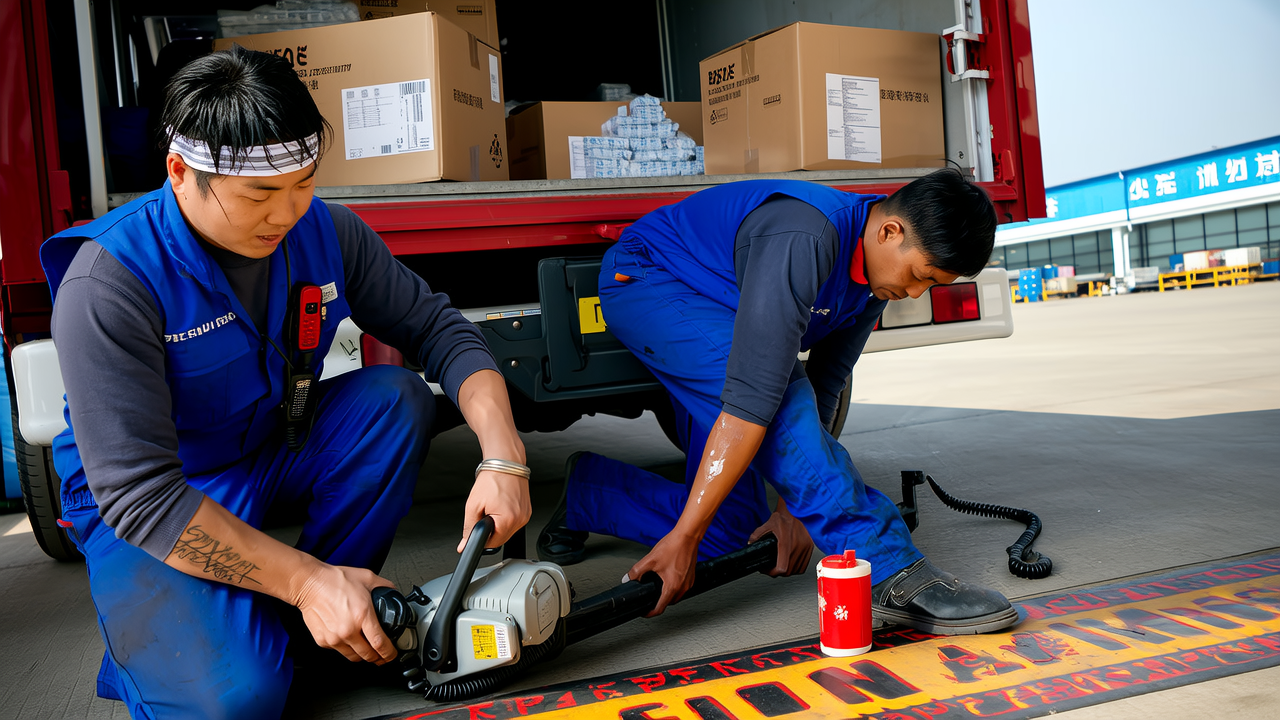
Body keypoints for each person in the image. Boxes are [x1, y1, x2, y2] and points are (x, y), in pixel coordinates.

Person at [41, 46, 531, 719]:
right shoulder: (110, 282)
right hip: (155, 505)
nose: (288, 212)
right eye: (261, 194)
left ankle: (313, 621)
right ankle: (174, 646)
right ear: (180, 173)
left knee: (392, 400)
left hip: (266, 453)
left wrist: (504, 458)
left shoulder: (323, 230)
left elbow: (440, 330)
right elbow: (141, 495)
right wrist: (302, 580)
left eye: (303, 182)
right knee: (237, 703)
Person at [537, 170, 1019, 635]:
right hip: (652, 279)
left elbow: (827, 383)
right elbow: (760, 400)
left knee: (735, 535)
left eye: (930, 285)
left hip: (722, 302)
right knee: (780, 402)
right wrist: (683, 538)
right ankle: (890, 567)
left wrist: (793, 509)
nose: (914, 292)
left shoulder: (873, 279)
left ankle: (590, 494)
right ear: (890, 231)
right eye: (919, 275)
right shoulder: (806, 235)